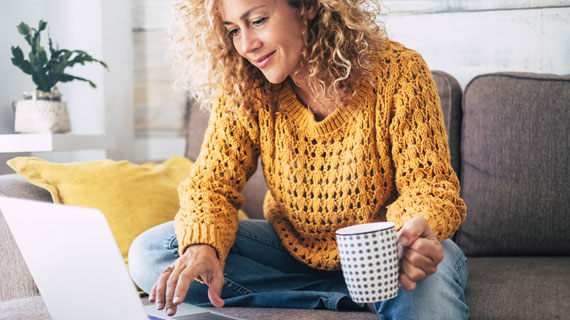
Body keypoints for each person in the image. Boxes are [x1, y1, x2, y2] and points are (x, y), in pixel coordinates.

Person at [128, 0, 469, 319]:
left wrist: (408, 238)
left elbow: (430, 187)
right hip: (292, 252)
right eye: (233, 30)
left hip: (385, 254)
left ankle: (374, 288)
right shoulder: (246, 87)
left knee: (426, 274)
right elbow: (211, 185)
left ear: (306, 6)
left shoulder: (398, 71)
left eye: (257, 21)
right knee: (152, 252)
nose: (246, 44)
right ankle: (353, 296)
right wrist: (203, 245)